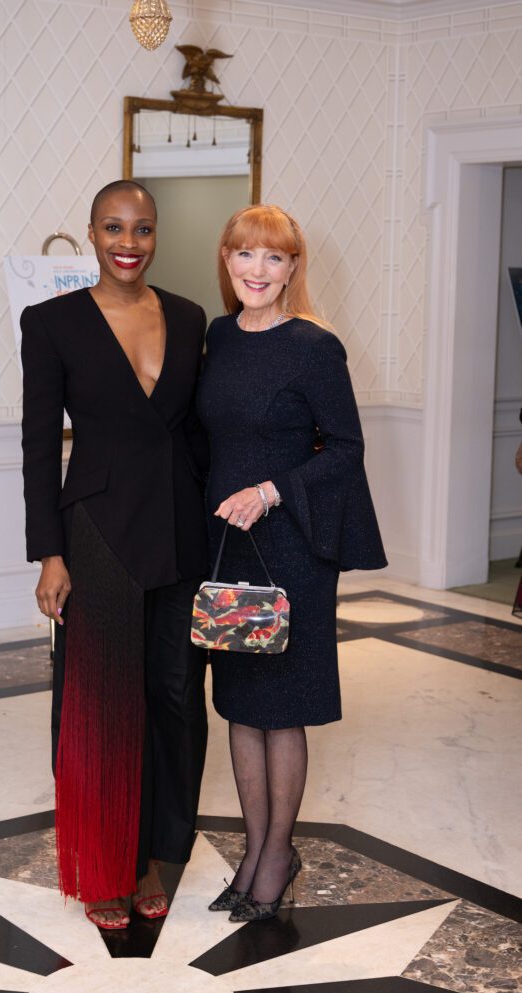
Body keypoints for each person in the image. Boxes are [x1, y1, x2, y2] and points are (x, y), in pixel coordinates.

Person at [20, 180, 209, 930]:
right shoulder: (53, 322)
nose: (128, 242)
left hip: (180, 529)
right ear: (91, 234)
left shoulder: (191, 317)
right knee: (100, 701)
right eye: (113, 228)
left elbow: (201, 432)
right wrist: (48, 553)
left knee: (172, 697)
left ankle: (156, 853)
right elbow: (39, 445)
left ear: (155, 235)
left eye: (141, 228)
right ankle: (105, 863)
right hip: (94, 534)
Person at [196, 204, 386, 922]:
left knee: (282, 710)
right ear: (225, 259)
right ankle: (252, 851)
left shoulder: (313, 347)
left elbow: (344, 449)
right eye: (245, 254)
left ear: (292, 269)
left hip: (290, 546)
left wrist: (271, 491)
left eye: (273, 258)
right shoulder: (217, 338)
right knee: (240, 707)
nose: (257, 270)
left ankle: (276, 855)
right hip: (228, 546)